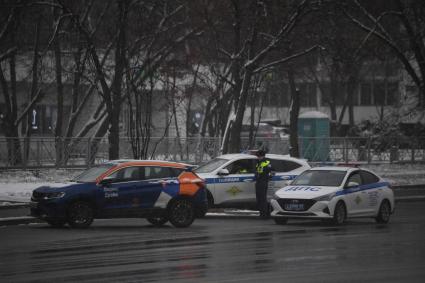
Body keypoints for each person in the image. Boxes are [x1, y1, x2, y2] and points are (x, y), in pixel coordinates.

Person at [255, 149, 272, 219]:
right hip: (258, 182)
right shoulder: (258, 162)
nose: (258, 157)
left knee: (263, 199)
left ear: (262, 156)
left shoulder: (267, 162)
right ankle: (261, 213)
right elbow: (257, 171)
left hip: (263, 181)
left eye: (259, 156)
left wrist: (268, 177)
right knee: (259, 198)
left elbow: (272, 171)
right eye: (257, 156)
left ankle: (264, 215)